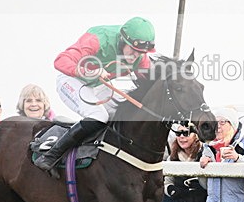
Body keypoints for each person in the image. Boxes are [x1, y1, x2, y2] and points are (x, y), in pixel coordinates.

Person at [35, 17, 156, 171]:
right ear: (122, 40)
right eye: (133, 49)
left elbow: (153, 83)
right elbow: (60, 60)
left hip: (97, 86)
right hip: (71, 80)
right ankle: (51, 156)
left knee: (122, 113)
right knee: (99, 115)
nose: (135, 55)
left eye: (141, 52)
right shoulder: (97, 39)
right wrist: (87, 71)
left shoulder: (140, 58)